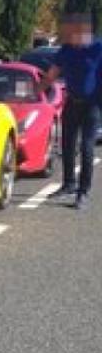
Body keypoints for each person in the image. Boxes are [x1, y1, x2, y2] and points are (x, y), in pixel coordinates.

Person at [39, 13, 102, 210]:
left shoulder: (98, 48)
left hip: (93, 105)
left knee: (87, 148)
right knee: (67, 144)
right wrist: (35, 92)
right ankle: (68, 184)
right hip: (72, 103)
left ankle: (83, 192)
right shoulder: (66, 50)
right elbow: (52, 74)